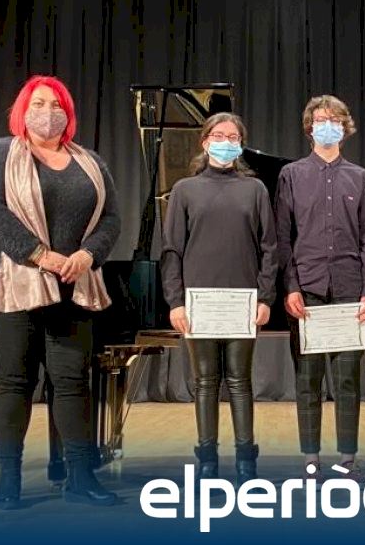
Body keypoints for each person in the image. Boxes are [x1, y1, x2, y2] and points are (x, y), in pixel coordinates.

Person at [0, 75, 121, 508]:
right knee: (17, 379)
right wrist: (41, 256)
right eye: (38, 103)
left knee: (72, 380)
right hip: (13, 282)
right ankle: (9, 480)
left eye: (56, 105)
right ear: (23, 110)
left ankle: (80, 477)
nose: (47, 112)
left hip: (74, 283)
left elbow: (111, 218)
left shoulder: (90, 162)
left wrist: (88, 255)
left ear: (68, 113)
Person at [161, 112, 278, 486]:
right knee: (205, 382)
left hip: (243, 301)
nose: (226, 142)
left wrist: (265, 297)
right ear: (205, 141)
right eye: (219, 135)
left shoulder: (255, 190)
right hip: (199, 302)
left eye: (233, 137)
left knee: (240, 381)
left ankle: (246, 461)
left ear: (241, 144)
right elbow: (172, 250)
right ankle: (207, 459)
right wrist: (175, 301)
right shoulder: (184, 190)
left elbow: (269, 248)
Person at [274, 95, 365, 481]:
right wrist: (290, 286)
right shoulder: (291, 175)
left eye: (335, 119)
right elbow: (283, 238)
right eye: (321, 119)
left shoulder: (360, 177)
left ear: (345, 127)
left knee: (349, 379)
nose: (328, 125)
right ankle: (311, 457)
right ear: (309, 127)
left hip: (351, 292)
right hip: (308, 290)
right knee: (308, 379)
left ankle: (347, 458)